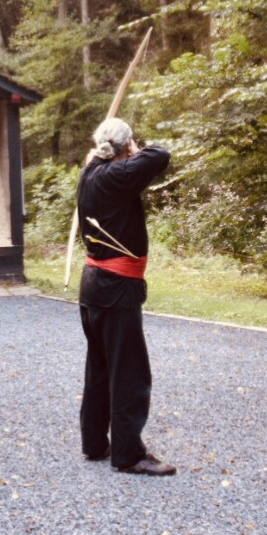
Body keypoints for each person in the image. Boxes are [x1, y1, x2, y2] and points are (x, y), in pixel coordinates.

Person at [76, 118, 174, 476]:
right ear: (127, 146)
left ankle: (94, 443)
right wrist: (132, 147)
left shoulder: (90, 172)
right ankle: (129, 454)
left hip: (95, 285)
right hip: (115, 288)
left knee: (100, 367)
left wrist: (114, 149)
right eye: (131, 144)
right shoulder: (115, 176)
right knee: (130, 372)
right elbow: (160, 154)